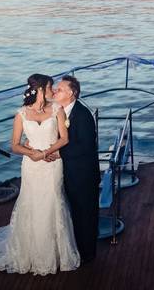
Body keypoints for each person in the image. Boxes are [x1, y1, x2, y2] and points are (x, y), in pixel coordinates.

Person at [0, 74, 80, 275]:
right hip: (31, 167)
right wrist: (31, 153)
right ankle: (31, 254)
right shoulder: (21, 114)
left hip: (52, 165)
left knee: (53, 202)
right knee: (32, 203)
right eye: (50, 87)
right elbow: (15, 145)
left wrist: (45, 152)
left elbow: (65, 139)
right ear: (41, 90)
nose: (53, 92)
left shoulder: (57, 110)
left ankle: (55, 254)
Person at [47, 75, 100, 262]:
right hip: (68, 173)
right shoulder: (60, 111)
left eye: (59, 89)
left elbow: (85, 146)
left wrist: (60, 154)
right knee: (73, 213)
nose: (55, 91)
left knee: (85, 214)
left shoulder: (82, 115)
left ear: (71, 93)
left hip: (83, 175)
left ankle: (87, 256)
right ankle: (74, 248)